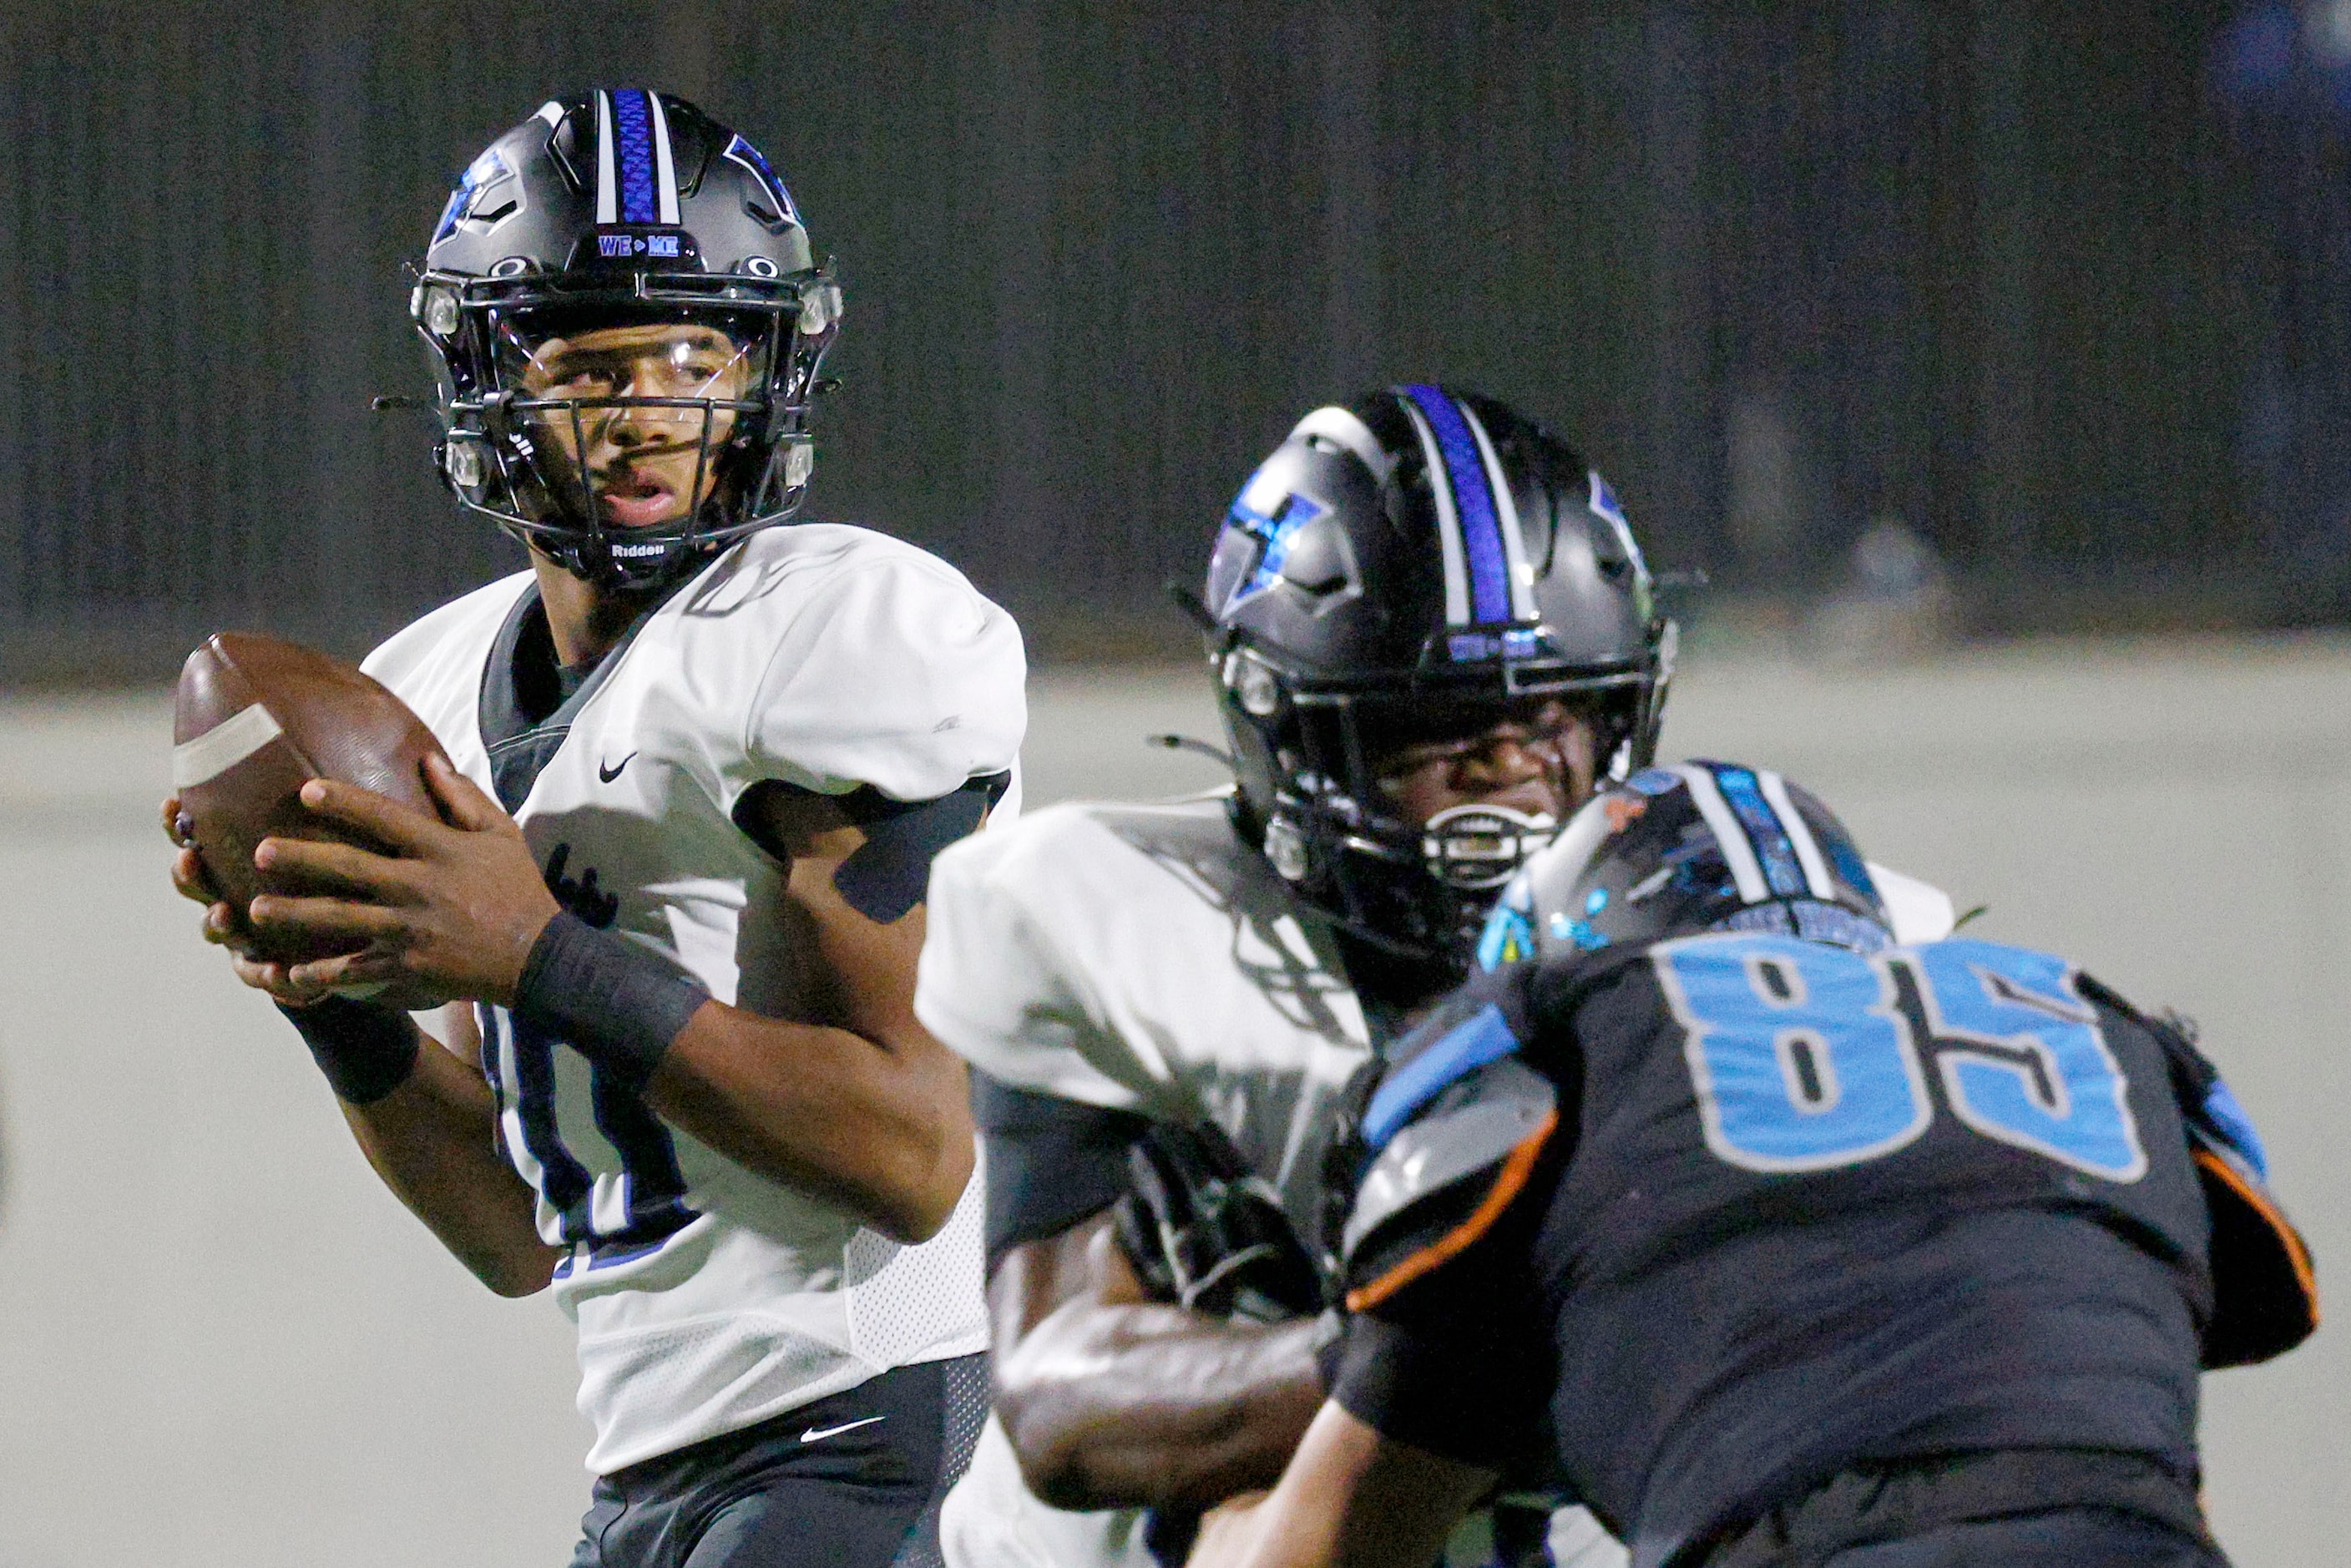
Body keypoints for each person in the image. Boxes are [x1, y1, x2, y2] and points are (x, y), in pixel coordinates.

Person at [162, 89, 1023, 1568]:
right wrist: (341, 1010)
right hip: (652, 1473)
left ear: (766, 372)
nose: (650, 412)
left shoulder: (828, 631)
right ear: (484, 379)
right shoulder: (427, 683)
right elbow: (511, 1231)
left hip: (871, 1430)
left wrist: (537, 951)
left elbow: (913, 1147)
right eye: (590, 366)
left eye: (697, 354)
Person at [915, 390, 1954, 1568]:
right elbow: (1059, 1401)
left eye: (1553, 711)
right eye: (1437, 720)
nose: (1510, 765)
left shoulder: (1766, 929)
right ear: (1289, 732)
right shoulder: (1107, 913)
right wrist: (1416, 1355)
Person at [1193, 761, 2318, 1568]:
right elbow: (2147, 1480)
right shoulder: (2085, 1024)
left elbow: (1324, 1548)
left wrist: (1210, 1512)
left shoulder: (1569, 1050)